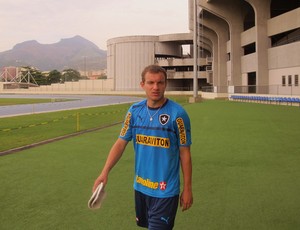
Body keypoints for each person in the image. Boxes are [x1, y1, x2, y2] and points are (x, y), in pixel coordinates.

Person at [92, 64, 193, 229]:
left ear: (165, 84)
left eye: (160, 83)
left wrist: (188, 188)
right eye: (151, 82)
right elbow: (120, 143)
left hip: (165, 191)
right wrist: (104, 172)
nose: (155, 87)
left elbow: (185, 153)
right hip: (140, 187)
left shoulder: (178, 115)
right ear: (142, 85)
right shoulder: (134, 111)